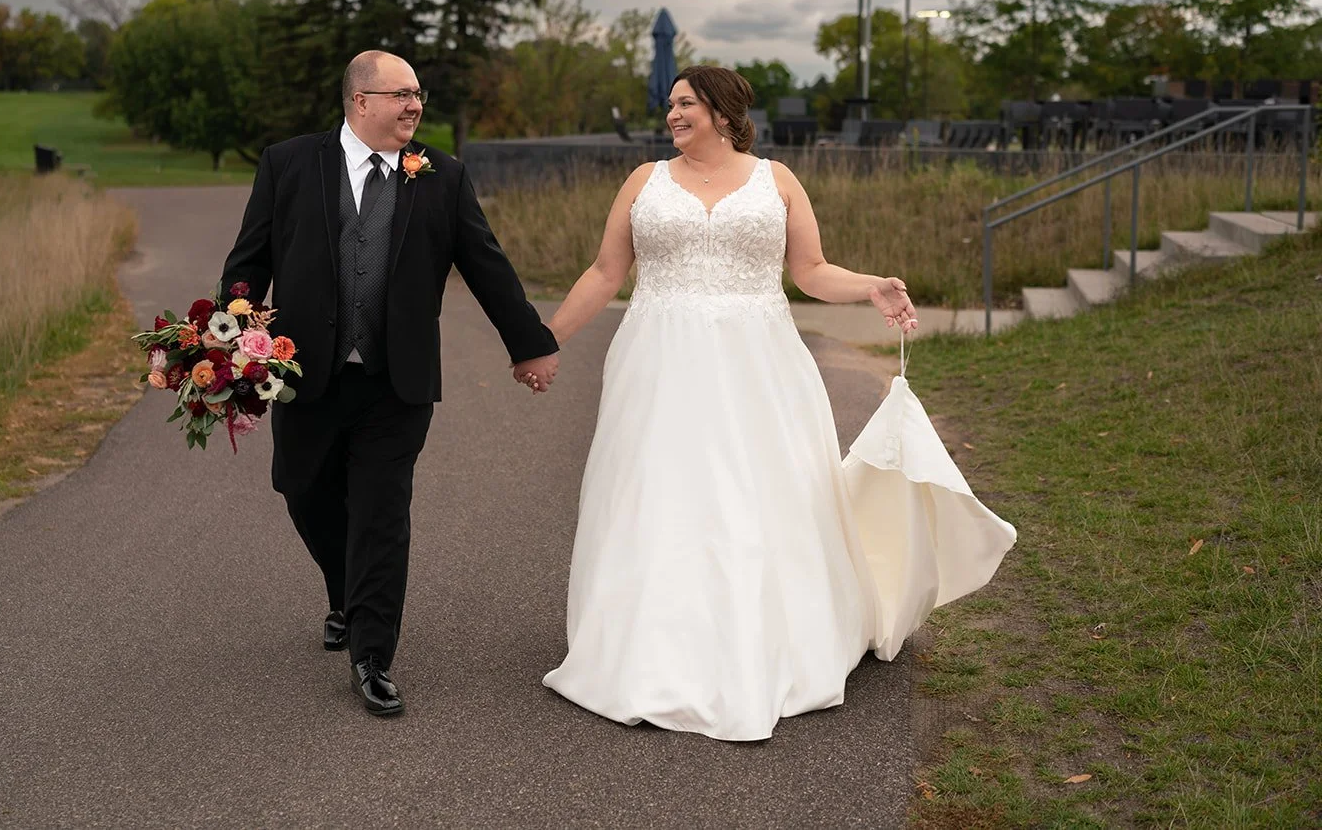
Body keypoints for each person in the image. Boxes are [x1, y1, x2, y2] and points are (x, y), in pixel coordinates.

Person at [540, 65, 993, 741]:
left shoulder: (777, 180)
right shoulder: (643, 181)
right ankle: (649, 640)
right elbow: (607, 272)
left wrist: (872, 285)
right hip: (658, 360)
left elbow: (810, 271)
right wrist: (543, 340)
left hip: (759, 362)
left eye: (685, 103)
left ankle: (760, 637)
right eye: (670, 105)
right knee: (657, 490)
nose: (672, 115)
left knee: (756, 494)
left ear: (723, 113)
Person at [219, 50, 559, 717]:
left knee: (381, 511)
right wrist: (230, 337)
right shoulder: (290, 163)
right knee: (302, 488)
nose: (415, 105)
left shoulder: (441, 174)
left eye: (418, 94)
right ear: (360, 101)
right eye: (401, 94)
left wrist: (529, 343)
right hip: (302, 370)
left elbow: (485, 262)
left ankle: (372, 655)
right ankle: (346, 594)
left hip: (396, 378)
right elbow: (249, 260)